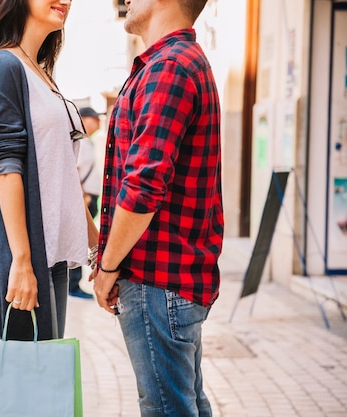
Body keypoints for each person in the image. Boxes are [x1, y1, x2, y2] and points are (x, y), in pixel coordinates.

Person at [90, 0, 224, 416]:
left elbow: (144, 185)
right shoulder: (176, 62)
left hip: (157, 283)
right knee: (186, 406)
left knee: (167, 410)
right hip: (168, 282)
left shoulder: (170, 67)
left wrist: (107, 267)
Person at [0, 0, 99, 341]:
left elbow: (64, 177)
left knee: (44, 381)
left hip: (50, 256)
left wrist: (96, 249)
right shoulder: (2, 67)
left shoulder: (40, 74)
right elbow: (7, 168)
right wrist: (22, 261)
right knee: (18, 384)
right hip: (16, 256)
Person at [68, 106, 102, 299]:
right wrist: (82, 195)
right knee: (79, 241)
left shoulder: (88, 141)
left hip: (88, 197)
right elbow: (74, 170)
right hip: (83, 198)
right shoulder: (78, 139)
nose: (98, 124)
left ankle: (74, 283)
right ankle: (73, 284)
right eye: (95, 120)